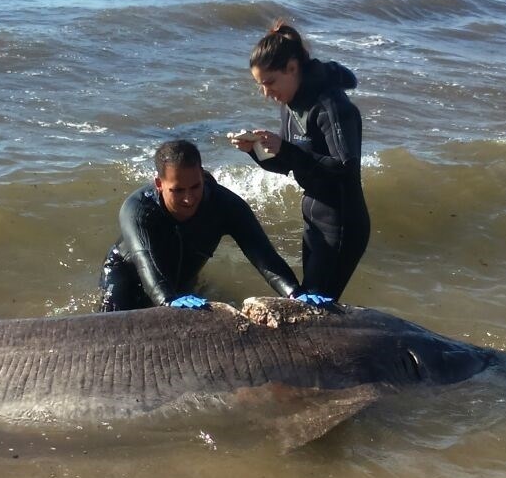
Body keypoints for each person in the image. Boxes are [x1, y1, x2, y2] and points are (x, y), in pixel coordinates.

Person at [233, 21, 369, 303]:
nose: (266, 93)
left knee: (316, 304)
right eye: (260, 86)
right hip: (314, 218)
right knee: (310, 299)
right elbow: (287, 165)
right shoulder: (291, 104)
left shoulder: (331, 106)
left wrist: (286, 149)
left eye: (269, 82)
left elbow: (344, 170)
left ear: (292, 68)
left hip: (341, 223)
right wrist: (255, 150)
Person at [98, 139, 300, 311]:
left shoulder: (225, 205)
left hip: (179, 283)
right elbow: (145, 260)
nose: (188, 199)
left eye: (195, 187)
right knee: (112, 323)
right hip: (128, 276)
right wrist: (166, 300)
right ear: (159, 184)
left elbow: (265, 257)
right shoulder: (137, 210)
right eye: (178, 191)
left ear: (203, 175)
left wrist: (294, 292)